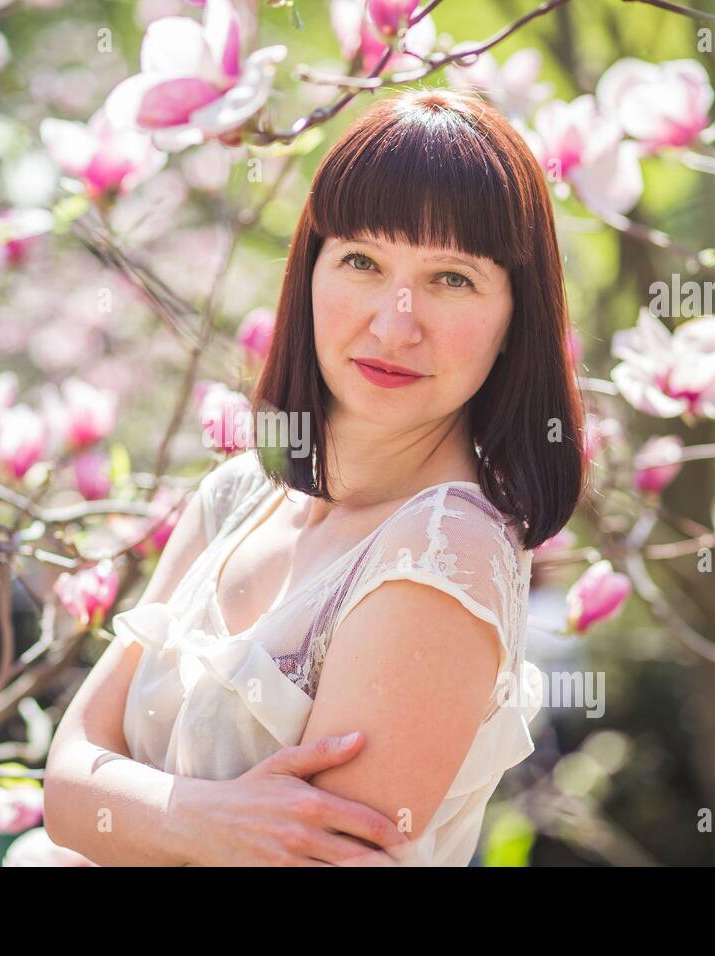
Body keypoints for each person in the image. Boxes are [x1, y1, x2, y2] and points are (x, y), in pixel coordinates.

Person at [41, 88, 586, 866]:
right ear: (310, 274)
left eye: (452, 279)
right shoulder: (238, 496)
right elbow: (64, 789)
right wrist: (209, 822)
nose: (395, 323)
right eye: (362, 261)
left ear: (513, 322)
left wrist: (137, 808)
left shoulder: (439, 556)